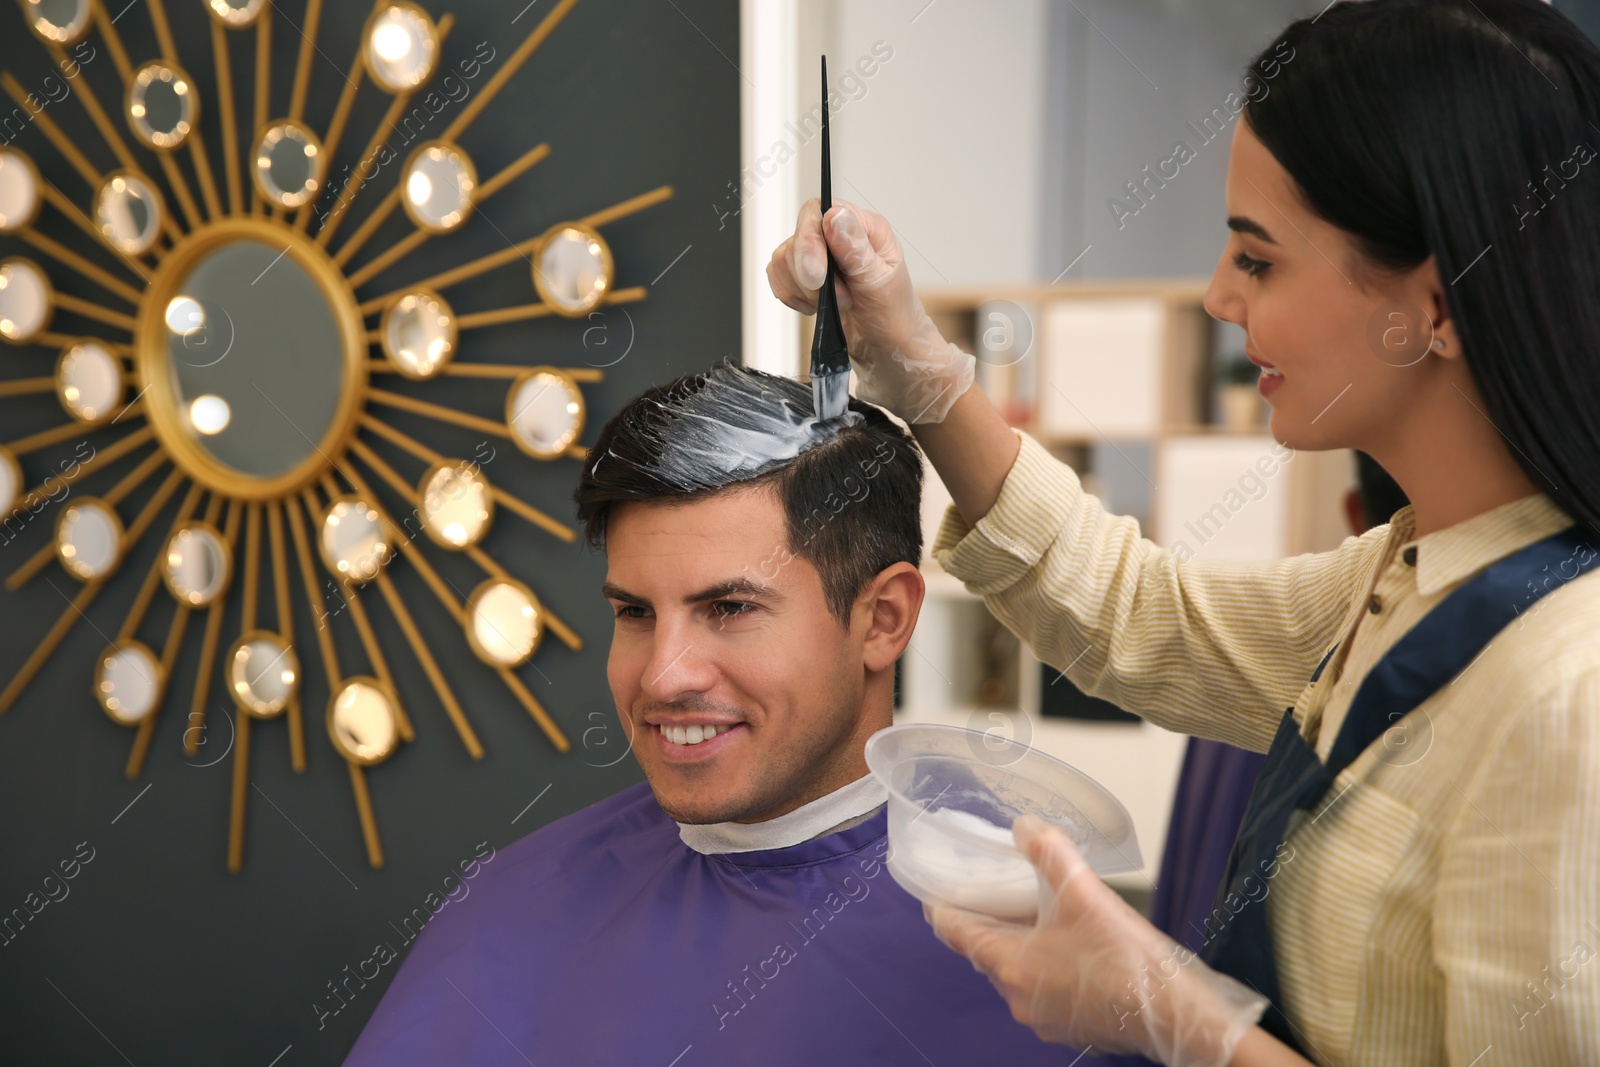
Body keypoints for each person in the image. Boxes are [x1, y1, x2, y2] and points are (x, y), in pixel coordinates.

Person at [766, 1, 1600, 1063]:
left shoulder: (1569, 697)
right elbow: (1135, 616)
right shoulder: (1406, 577)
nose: (1214, 295)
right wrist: (913, 363)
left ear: (1432, 303)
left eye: (1257, 259)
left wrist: (1176, 1016)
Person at [341, 363, 1103, 1065]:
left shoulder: (1046, 949)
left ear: (882, 620)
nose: (664, 676)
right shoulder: (511, 910)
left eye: (730, 607)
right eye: (635, 612)